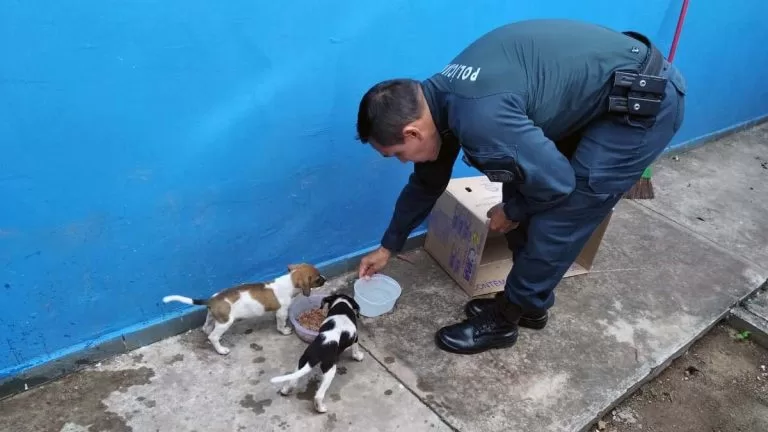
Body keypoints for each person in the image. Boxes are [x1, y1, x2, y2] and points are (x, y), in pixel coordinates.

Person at [355, 18, 686, 354]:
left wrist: (512, 211)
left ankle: (505, 319)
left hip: (641, 103)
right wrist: (388, 247)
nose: (402, 161)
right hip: (602, 94)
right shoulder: (440, 98)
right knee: (519, 183)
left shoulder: (480, 117)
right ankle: (530, 303)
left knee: (560, 215)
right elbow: (427, 183)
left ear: (412, 133)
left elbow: (558, 183)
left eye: (396, 154)